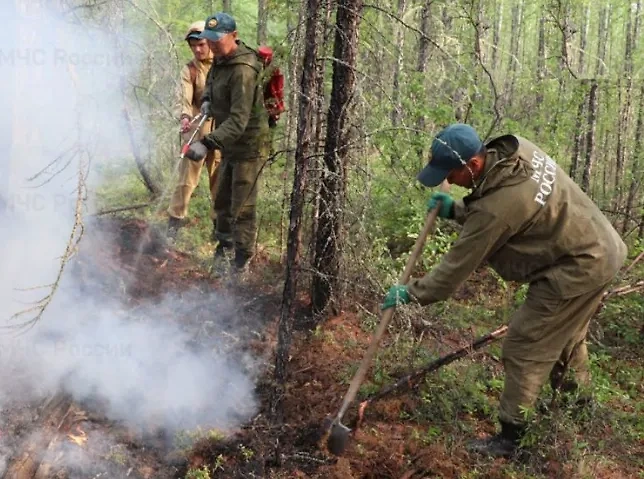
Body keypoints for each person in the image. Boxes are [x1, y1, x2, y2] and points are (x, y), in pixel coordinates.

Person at [381, 123, 627, 457]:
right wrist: (458, 210)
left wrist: (411, 292)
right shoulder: (515, 152)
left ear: (475, 164)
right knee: (565, 335)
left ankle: (513, 438)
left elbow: (454, 270)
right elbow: (505, 202)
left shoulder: (497, 208)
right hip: (600, 246)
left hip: (579, 265)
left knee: (525, 343)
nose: (448, 182)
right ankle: (578, 405)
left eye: (451, 174)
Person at [184, 12, 269, 273]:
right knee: (221, 199)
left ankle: (241, 264)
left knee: (242, 206)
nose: (211, 46)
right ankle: (223, 250)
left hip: (248, 146)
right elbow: (211, 81)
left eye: (217, 40)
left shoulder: (243, 70)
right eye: (209, 40)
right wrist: (208, 100)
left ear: (233, 36)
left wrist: (207, 143)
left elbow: (238, 121)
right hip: (229, 143)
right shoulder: (221, 60)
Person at [166, 21, 220, 241]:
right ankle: (174, 224)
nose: (198, 49)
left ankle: (220, 230)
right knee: (186, 180)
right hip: (197, 128)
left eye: (201, 44)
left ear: (210, 42)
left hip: (221, 129)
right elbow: (184, 98)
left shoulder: (223, 64)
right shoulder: (189, 69)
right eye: (193, 45)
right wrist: (185, 117)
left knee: (219, 178)